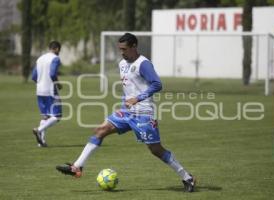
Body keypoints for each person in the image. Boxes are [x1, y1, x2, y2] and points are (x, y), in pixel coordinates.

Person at [56, 33, 196, 192]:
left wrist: (137, 98)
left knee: (156, 150)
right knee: (100, 130)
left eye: (124, 49)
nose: (122, 52)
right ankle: (77, 167)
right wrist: (124, 104)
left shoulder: (144, 64)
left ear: (134, 46)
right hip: (127, 112)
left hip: (144, 113)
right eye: (120, 49)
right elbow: (128, 87)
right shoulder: (122, 63)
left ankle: (187, 177)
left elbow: (157, 84)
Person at [31, 41, 62, 147]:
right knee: (57, 116)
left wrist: (41, 84)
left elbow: (34, 76)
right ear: (57, 49)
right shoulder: (55, 58)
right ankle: (38, 130)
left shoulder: (40, 59)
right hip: (50, 91)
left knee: (46, 116)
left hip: (39, 90)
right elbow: (53, 73)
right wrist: (58, 84)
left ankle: (42, 142)